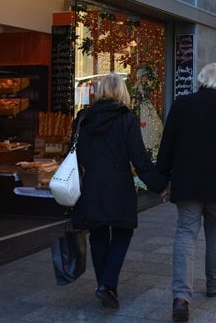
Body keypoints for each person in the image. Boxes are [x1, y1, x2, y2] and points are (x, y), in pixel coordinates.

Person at [155, 63, 216, 322]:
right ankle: (214, 284)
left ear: (201, 79)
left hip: (187, 183)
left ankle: (181, 297)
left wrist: (162, 179)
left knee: (185, 235)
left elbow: (168, 146)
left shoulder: (182, 105)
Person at [70, 72, 167, 310]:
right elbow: (140, 160)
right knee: (123, 233)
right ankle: (107, 284)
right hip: (118, 186)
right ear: (122, 92)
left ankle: (105, 284)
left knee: (99, 234)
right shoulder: (127, 120)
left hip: (90, 186)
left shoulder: (82, 118)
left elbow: (71, 155)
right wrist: (161, 186)